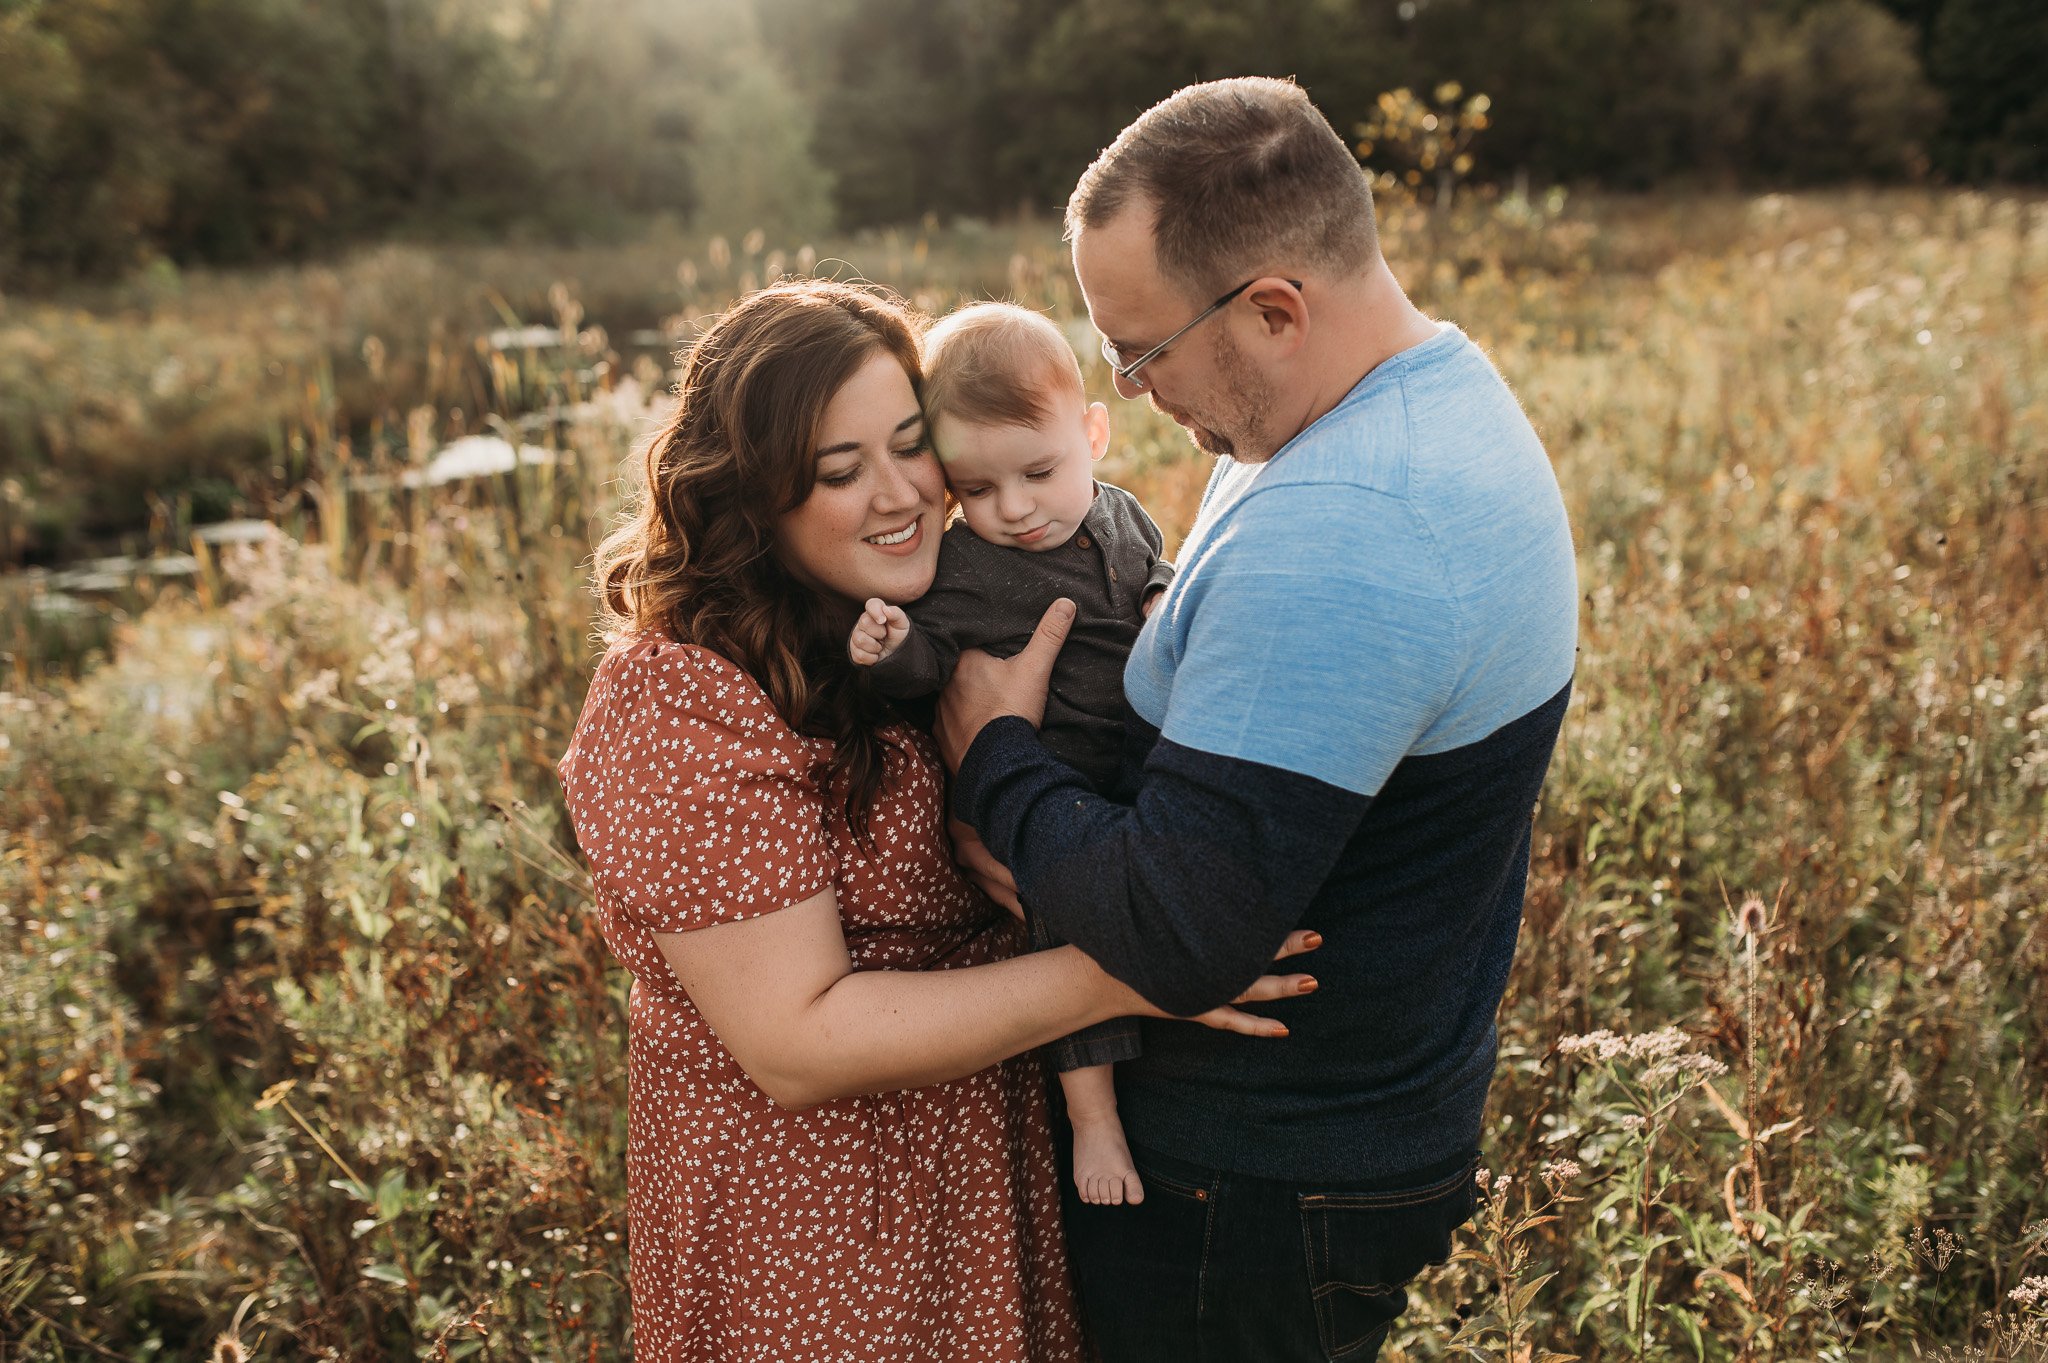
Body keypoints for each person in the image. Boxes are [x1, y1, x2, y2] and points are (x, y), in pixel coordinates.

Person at [933, 78, 1580, 1361]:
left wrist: (990, 755)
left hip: (1249, 1186)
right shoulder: (1413, 405)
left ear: (1274, 308)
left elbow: (1179, 933)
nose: (1129, 386)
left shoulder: (1347, 526)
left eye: (1140, 350)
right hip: (1343, 1134)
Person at [555, 278, 1316, 1362]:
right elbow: (796, 1042)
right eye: (837, 468)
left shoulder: (935, 619)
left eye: (911, 445)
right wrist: (1150, 962)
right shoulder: (681, 696)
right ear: (752, 495)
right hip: (812, 1233)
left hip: (987, 1189)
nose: (898, 493)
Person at [848, 301, 1176, 1208]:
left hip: (1141, 760)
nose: (1016, 508)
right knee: (1057, 920)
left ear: (1094, 433)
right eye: (980, 490)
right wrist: (891, 651)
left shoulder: (1120, 517)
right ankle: (1092, 1112)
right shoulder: (965, 568)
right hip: (1051, 782)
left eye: (1038, 472)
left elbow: (1157, 566)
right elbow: (933, 665)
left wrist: (1162, 599)